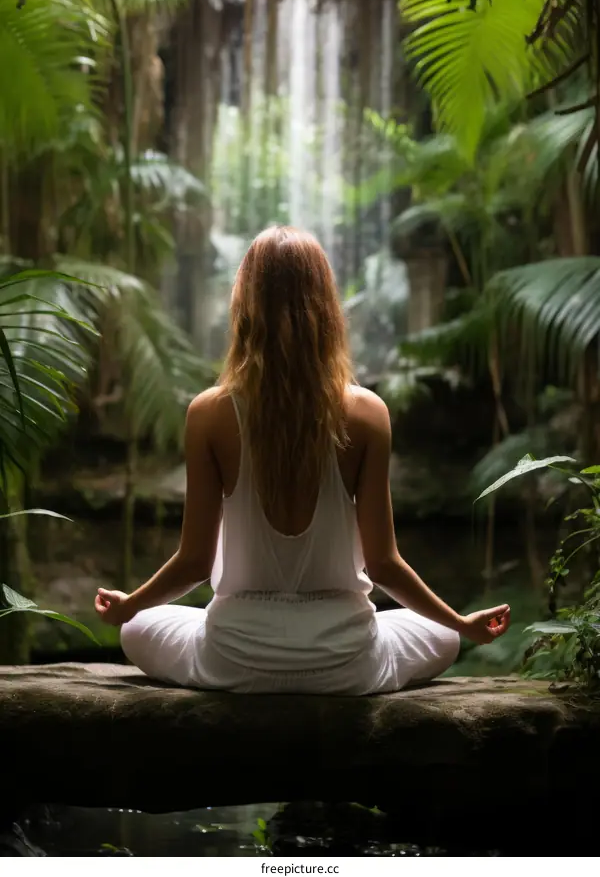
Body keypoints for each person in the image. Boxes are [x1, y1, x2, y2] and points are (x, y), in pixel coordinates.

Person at [94, 226, 510, 694]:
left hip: (235, 657)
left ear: (245, 305)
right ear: (327, 309)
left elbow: (193, 563)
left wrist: (131, 605)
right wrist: (461, 622)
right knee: (442, 636)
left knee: (138, 629)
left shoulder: (208, 413)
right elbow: (385, 565)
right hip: (346, 661)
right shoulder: (368, 413)